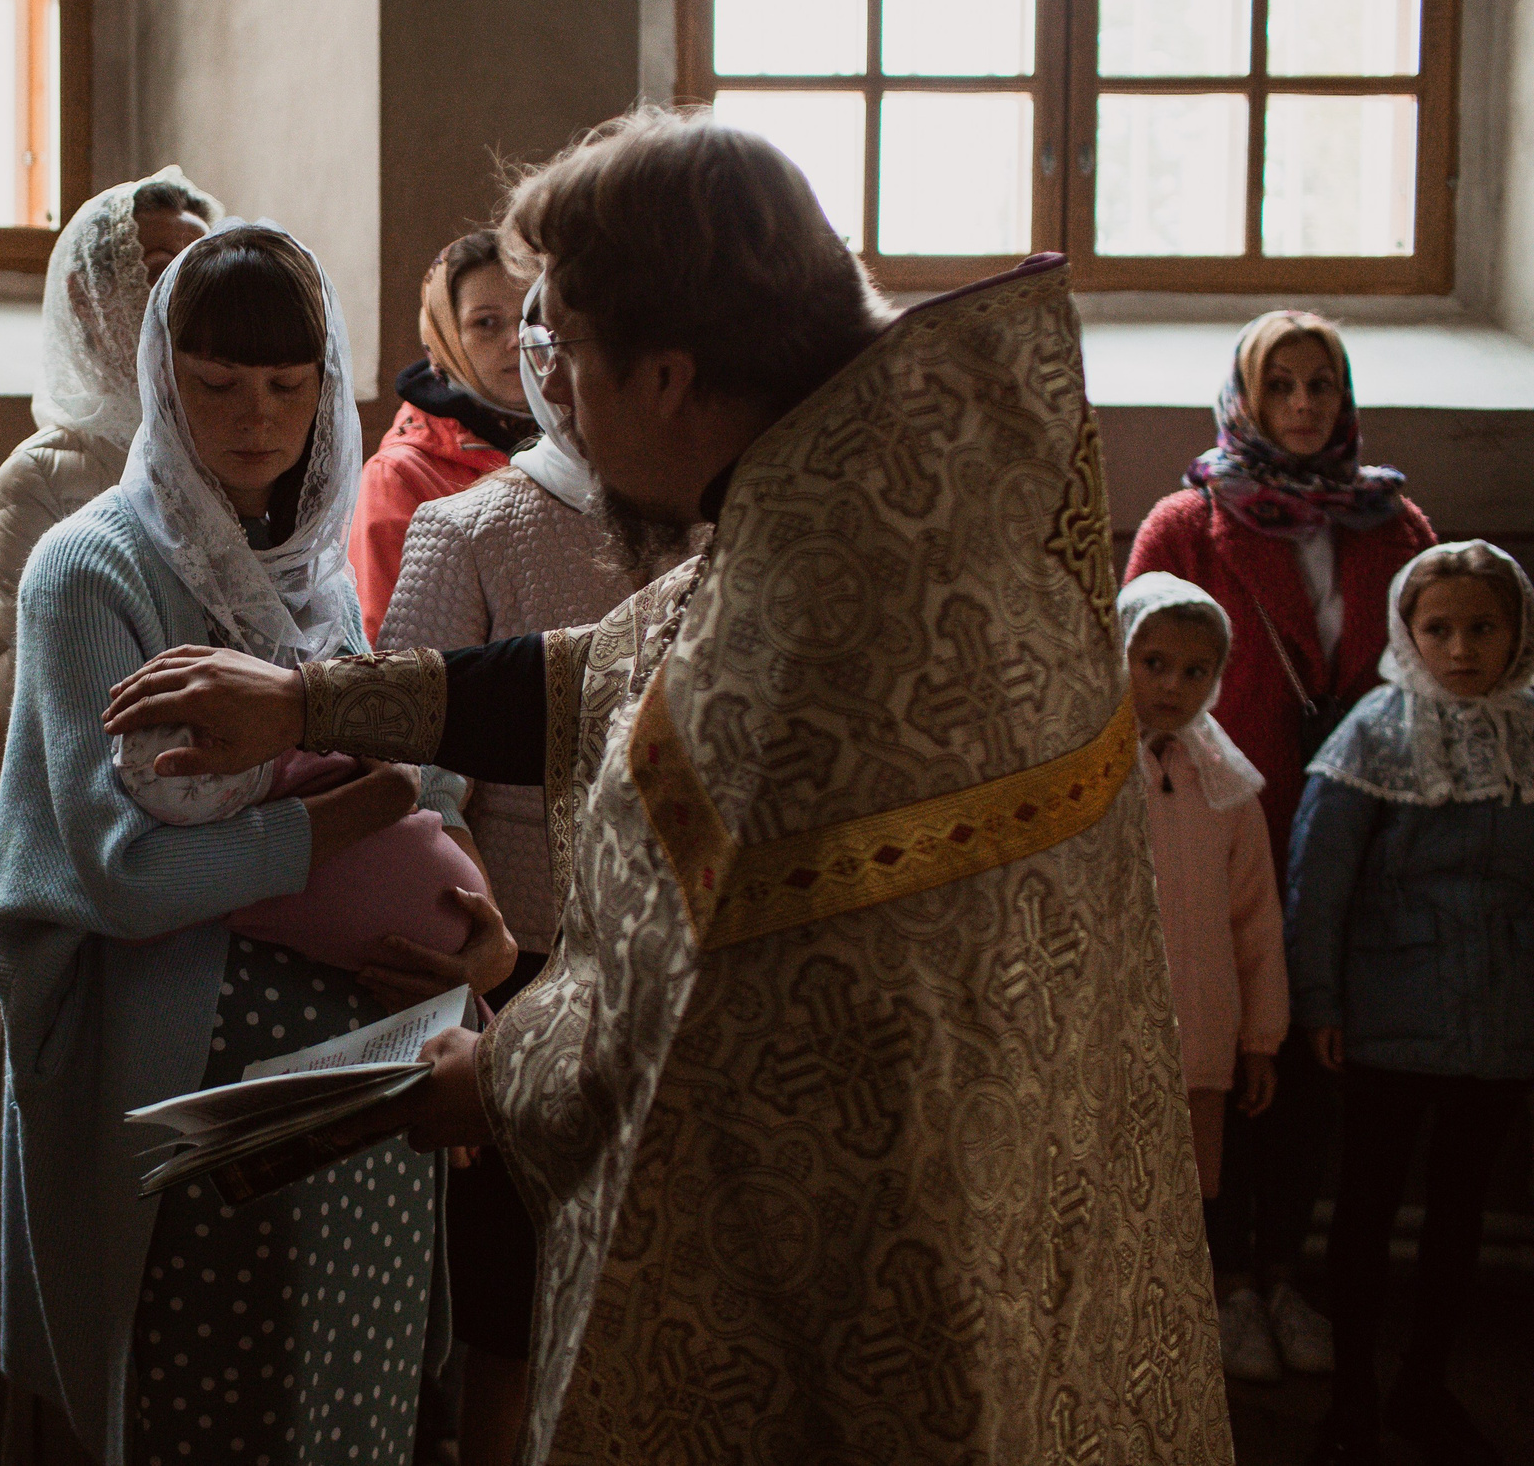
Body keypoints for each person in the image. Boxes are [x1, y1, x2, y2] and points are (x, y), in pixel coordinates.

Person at [102, 107, 1228, 1464]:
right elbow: (608, 666)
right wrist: (313, 697)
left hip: (858, 1306)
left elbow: (687, 1014)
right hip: (1028, 1213)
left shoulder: (806, 636)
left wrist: (490, 1075)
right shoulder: (893, 494)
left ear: (674, 377)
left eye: (569, 350)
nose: (550, 392)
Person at [0, 223, 513, 1466]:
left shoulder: (318, 562)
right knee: (206, 1399)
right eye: (217, 384)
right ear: (162, 376)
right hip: (191, 1082)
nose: (256, 419)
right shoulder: (89, 568)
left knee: (350, 1395)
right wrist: (361, 811)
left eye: (289, 385)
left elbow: (410, 756)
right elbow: (128, 869)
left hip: (368, 1078)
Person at [1126, 310, 1437, 1380]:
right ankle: (1210, 1287)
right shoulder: (1188, 519)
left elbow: (1425, 682)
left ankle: (1279, 1277)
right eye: (1282, 387)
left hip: (1355, 839)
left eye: (1322, 386)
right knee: (1218, 1063)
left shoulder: (1395, 526)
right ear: (1245, 401)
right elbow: (1143, 658)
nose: (1304, 406)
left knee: (1310, 1061)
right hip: (1220, 830)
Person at [373, 321, 637, 1466]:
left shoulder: (723, 526)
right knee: (513, 1327)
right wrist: (477, 979)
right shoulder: (466, 527)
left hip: (668, 974)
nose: (576, 379)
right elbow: (414, 783)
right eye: (551, 346)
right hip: (520, 969)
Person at [1289, 541, 1534, 1466]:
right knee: (1365, 1207)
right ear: (1408, 630)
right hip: (1386, 1018)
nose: (1463, 648)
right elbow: (1320, 883)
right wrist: (1319, 1004)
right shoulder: (1374, 733)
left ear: (1516, 630)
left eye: (1484, 627)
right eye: (1441, 629)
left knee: (1461, 1212)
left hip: (1506, 1019)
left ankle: (1425, 1385)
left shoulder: (1532, 729)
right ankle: (1352, 1391)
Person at [1119, 574, 1291, 1375]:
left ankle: (1174, 1363)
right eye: (1151, 661)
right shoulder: (1085, 781)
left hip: (1203, 1046)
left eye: (1194, 670)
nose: (1170, 685)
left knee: (1185, 1210)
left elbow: (1256, 922)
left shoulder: (1228, 786)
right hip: (1111, 1046)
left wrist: (1261, 1038)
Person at [0, 168, 222, 721]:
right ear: (86, 297)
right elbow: (42, 711)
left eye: (203, 270)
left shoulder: (236, 451)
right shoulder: (36, 481)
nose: (189, 298)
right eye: (159, 272)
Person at [350, 231, 537, 642]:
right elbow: (385, 656)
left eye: (532, 317)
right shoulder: (399, 475)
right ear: (446, 336)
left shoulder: (583, 443)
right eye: (486, 322)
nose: (517, 340)